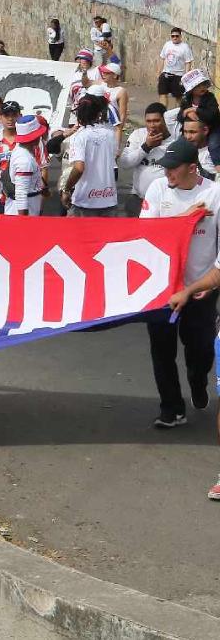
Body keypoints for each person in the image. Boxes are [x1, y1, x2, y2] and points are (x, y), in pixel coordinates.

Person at [136, 138, 219, 433]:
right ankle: (171, 408)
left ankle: (198, 381)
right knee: (161, 351)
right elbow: (145, 235)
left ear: (192, 168)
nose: (168, 173)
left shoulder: (215, 194)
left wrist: (209, 283)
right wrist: (182, 219)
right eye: (166, 167)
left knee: (200, 351)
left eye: (173, 168)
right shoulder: (158, 189)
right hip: (163, 290)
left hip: (201, 290)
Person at [62, 95, 118, 216]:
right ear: (98, 113)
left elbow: (79, 168)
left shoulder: (79, 136)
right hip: (109, 199)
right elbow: (113, 159)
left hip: (84, 202)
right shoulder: (110, 134)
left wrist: (66, 189)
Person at [119, 103, 176, 215]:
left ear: (165, 121)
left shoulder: (175, 141)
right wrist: (146, 147)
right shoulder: (138, 135)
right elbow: (125, 163)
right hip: (138, 199)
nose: (152, 125)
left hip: (165, 202)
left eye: (156, 120)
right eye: (148, 121)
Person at [1, 116, 46, 215]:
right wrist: (23, 222)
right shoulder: (24, 160)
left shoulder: (20, 151)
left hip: (25, 210)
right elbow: (21, 195)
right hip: (23, 214)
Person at [159, 27, 194, 106]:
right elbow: (162, 58)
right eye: (173, 36)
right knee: (162, 94)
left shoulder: (185, 47)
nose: (174, 38)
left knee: (178, 97)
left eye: (177, 36)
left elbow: (188, 62)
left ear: (180, 36)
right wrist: (159, 72)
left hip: (178, 76)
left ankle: (178, 115)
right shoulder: (167, 44)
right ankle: (163, 113)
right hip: (166, 74)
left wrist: (186, 77)